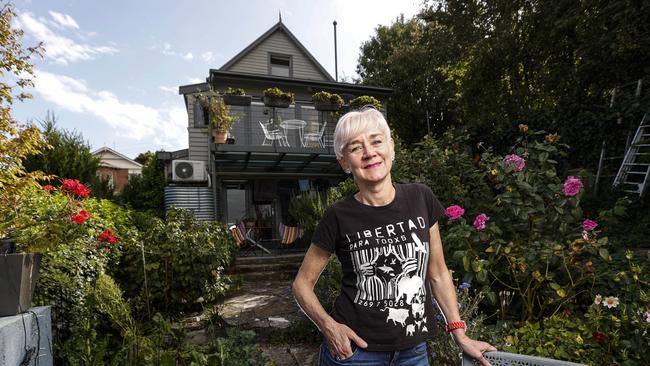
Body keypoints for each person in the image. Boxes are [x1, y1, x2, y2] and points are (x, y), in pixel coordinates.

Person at [292, 106, 496, 365]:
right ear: (344, 162)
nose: (369, 153)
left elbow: (438, 273)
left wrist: (460, 334)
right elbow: (302, 284)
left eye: (376, 141)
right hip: (355, 354)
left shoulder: (421, 198)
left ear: (391, 147)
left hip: (413, 352)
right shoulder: (337, 215)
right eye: (355, 148)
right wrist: (329, 326)